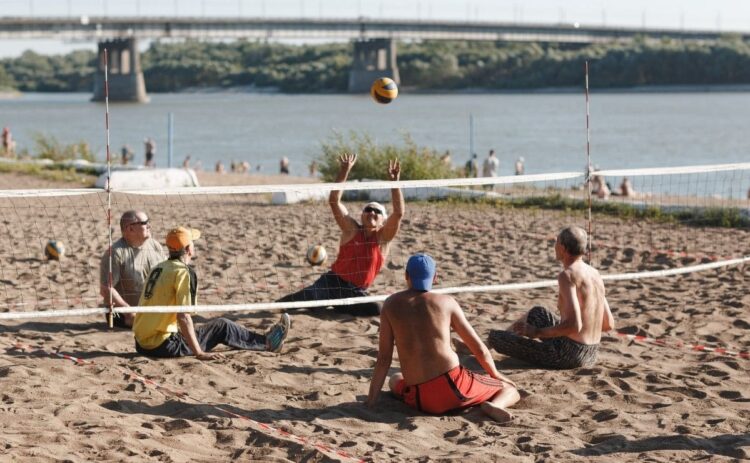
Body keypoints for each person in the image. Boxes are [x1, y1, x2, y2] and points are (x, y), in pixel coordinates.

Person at [366, 254, 520, 422]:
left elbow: (384, 358)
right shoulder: (446, 302)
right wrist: (496, 374)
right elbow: (479, 349)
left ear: (406, 276)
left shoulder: (390, 304)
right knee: (510, 389)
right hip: (453, 388)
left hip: (420, 399)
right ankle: (496, 405)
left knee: (395, 379)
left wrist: (371, 400)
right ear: (435, 277)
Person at [134, 226, 291, 359]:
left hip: (141, 343)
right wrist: (199, 353)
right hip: (162, 346)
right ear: (189, 249)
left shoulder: (159, 267)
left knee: (207, 329)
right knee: (223, 326)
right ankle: (268, 343)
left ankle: (262, 340)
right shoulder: (183, 271)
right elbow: (184, 317)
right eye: (193, 243)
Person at [277, 153, 404, 316]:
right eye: (368, 209)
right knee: (309, 296)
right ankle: (281, 305)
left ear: (383, 220)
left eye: (377, 211)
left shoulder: (383, 239)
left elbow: (399, 213)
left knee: (376, 309)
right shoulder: (351, 229)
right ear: (361, 215)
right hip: (332, 282)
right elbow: (334, 201)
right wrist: (345, 170)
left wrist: (395, 183)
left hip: (355, 291)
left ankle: (330, 304)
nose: (372, 212)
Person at [487, 226, 615, 369]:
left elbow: (574, 325)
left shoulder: (567, 276)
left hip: (569, 355)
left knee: (495, 338)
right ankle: (495, 341)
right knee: (538, 313)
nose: (554, 246)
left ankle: (485, 345)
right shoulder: (595, 273)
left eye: (556, 241)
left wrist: (537, 332)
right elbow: (608, 324)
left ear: (563, 247)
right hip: (592, 354)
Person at [100, 210, 166, 329]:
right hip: (124, 314)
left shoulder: (155, 245)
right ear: (130, 229)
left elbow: (167, 275)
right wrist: (127, 310)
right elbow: (106, 289)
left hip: (153, 309)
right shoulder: (115, 253)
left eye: (148, 222)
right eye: (144, 223)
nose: (149, 225)